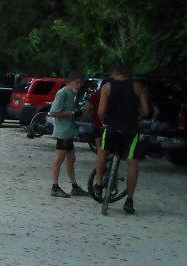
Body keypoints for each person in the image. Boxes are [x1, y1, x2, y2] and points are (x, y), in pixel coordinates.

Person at [93, 64, 150, 214]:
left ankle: (98, 185)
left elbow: (100, 112)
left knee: (103, 152)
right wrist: (136, 115)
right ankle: (129, 200)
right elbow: (145, 110)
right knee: (132, 163)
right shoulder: (137, 86)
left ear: (115, 74)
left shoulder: (107, 87)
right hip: (130, 129)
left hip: (112, 127)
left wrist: (105, 119)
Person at [48, 72, 88, 198]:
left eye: (81, 83)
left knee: (71, 158)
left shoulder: (74, 94)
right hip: (63, 131)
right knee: (59, 158)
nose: (79, 85)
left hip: (70, 130)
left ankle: (74, 186)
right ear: (70, 81)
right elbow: (53, 112)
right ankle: (54, 187)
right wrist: (72, 113)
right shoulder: (63, 93)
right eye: (77, 82)